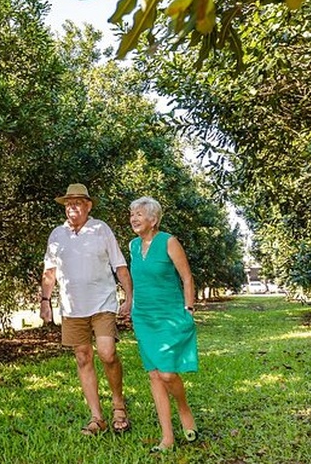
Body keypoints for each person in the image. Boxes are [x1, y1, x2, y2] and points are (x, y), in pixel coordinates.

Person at [39, 183, 134, 435]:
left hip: (103, 303)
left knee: (107, 353)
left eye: (78, 202)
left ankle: (118, 406)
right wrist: (45, 301)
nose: (72, 207)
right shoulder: (57, 235)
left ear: (88, 206)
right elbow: (50, 272)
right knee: (82, 357)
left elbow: (119, 265)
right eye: (68, 203)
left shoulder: (101, 229)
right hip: (72, 307)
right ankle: (96, 417)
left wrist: (129, 296)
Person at [128, 196, 199, 453]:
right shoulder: (133, 246)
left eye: (139, 214)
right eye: (132, 214)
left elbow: (187, 277)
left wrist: (188, 309)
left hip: (169, 316)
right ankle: (167, 437)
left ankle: (183, 408)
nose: (133, 218)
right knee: (154, 375)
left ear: (153, 219)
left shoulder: (169, 242)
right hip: (143, 318)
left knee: (168, 373)